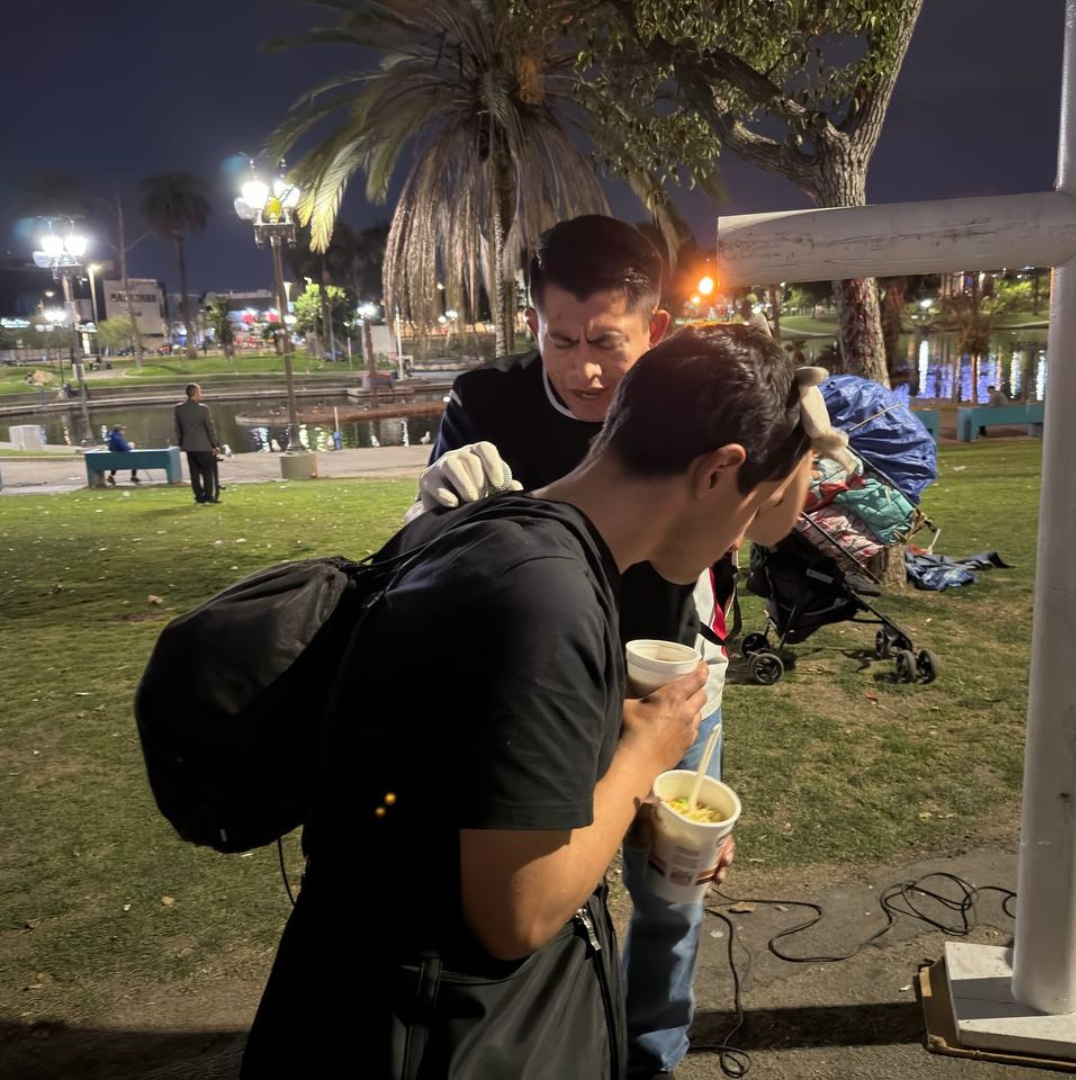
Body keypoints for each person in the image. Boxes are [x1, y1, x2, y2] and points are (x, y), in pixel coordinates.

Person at [239, 325, 814, 1079]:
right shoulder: (548, 599)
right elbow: (518, 914)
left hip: (350, 997)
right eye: (751, 508)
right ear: (718, 471)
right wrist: (647, 752)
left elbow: (464, 764)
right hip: (428, 1034)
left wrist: (622, 807)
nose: (739, 535)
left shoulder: (496, 529)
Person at [411, 215, 731, 1078]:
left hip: (664, 671)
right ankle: (570, 1049)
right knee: (547, 893)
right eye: (562, 341)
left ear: (654, 327)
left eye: (606, 342)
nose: (585, 369)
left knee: (672, 891)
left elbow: (739, 526)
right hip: (539, 684)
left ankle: (651, 1057)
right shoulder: (486, 401)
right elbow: (430, 556)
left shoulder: (686, 397)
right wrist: (431, 503)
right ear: (535, 324)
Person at [173, 383, 220, 504]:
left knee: (194, 473)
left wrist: (181, 443)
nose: (201, 394)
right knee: (207, 472)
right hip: (204, 446)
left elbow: (178, 429)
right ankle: (209, 496)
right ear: (195, 393)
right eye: (200, 392)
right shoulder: (203, 409)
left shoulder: (179, 409)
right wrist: (214, 445)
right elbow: (210, 428)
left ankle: (199, 496)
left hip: (189, 446)